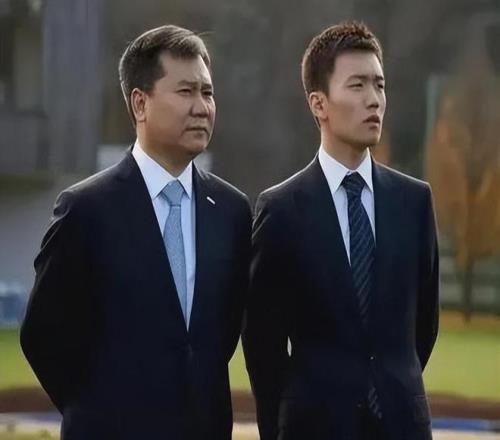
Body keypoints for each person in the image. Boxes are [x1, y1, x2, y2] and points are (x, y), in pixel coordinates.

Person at [20, 24, 251, 440]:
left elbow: (222, 332)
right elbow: (42, 335)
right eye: (186, 92)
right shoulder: (86, 209)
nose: (202, 107)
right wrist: (96, 411)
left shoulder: (232, 211)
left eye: (207, 92)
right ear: (140, 103)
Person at [242, 21, 439, 440]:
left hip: (402, 426)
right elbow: (262, 344)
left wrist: (388, 388)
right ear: (319, 103)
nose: (374, 99)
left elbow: (424, 326)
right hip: (313, 427)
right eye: (357, 85)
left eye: (379, 85)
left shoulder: (414, 202)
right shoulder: (281, 211)